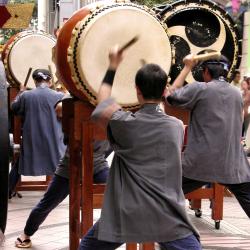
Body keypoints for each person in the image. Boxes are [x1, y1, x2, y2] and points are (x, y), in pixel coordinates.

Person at [79, 46, 201, 250]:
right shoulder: (176, 127)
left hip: (126, 213)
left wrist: (113, 66)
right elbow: (162, 103)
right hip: (167, 215)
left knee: (87, 247)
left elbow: (103, 102)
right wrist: (186, 68)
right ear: (163, 92)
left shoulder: (123, 124)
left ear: (136, 89)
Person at [14, 96, 111, 248]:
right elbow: (59, 109)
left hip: (97, 163)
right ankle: (26, 233)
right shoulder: (77, 97)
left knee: (122, 195)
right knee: (48, 203)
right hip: (70, 163)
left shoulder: (115, 103)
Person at [166, 54, 250, 218]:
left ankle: (165, 235)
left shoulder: (200, 89)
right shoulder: (236, 94)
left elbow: (170, 97)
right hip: (232, 164)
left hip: (200, 164)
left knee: (162, 193)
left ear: (205, 72)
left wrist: (187, 67)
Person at [10, 69, 66, 179]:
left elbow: (13, 107)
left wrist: (21, 91)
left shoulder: (26, 95)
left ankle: (8, 189)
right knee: (61, 168)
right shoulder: (59, 96)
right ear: (50, 81)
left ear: (35, 81)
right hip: (54, 141)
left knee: (21, 163)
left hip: (33, 140)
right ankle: (54, 193)